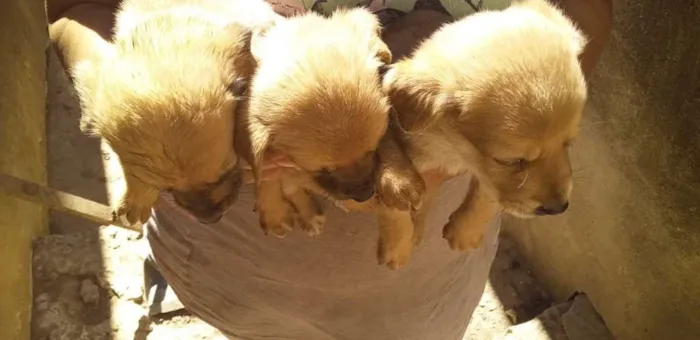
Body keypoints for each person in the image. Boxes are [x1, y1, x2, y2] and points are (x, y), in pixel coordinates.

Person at [47, 0, 612, 339]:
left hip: (415, 291)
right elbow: (73, 8)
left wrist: (500, 98)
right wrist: (127, 100)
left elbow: (579, 17)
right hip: (234, 269)